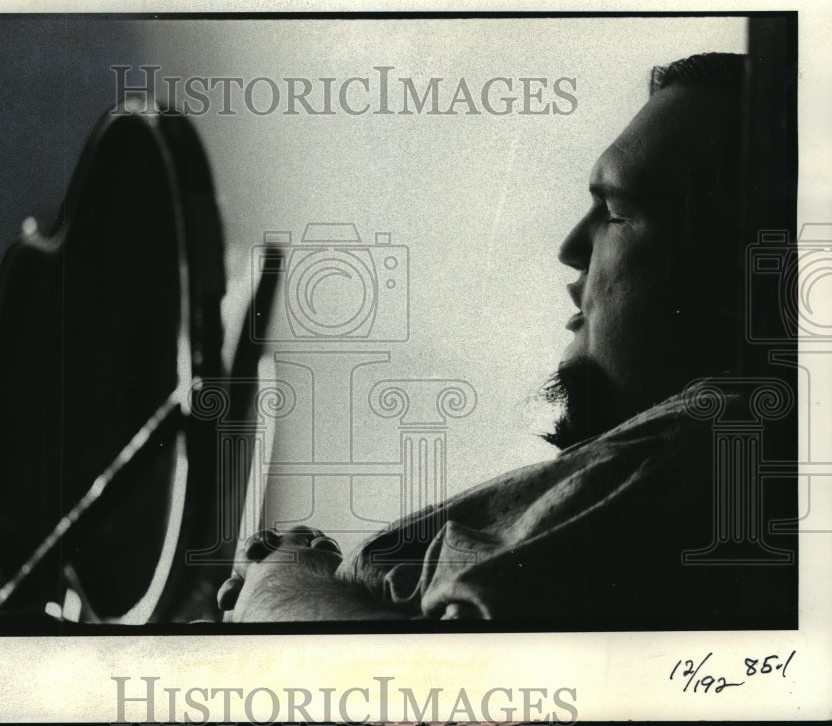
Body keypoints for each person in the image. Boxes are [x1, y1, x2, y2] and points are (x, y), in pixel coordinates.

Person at [216, 53, 797, 626]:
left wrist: (281, 581)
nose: (571, 248)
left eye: (617, 211)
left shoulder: (715, 435)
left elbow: (421, 687)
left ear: (738, 270)